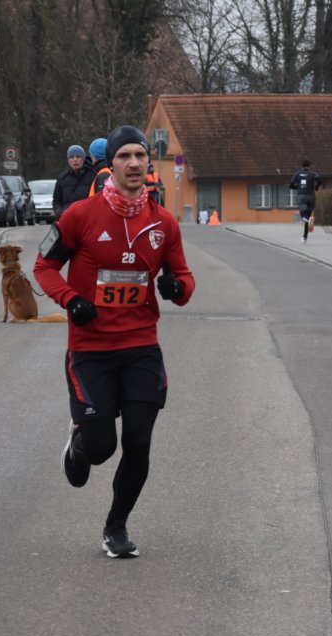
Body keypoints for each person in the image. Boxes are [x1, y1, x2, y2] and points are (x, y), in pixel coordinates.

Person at [34, 124, 195, 558]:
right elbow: (44, 267)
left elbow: (184, 277)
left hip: (141, 348)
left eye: (140, 155)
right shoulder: (79, 216)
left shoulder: (163, 223)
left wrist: (177, 288)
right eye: (125, 156)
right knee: (102, 447)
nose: (134, 163)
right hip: (90, 351)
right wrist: (71, 300)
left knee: (139, 442)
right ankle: (81, 444)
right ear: (111, 165)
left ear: (148, 163)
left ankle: (116, 526)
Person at [52, 144, 95, 218]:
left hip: (87, 219)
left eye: (78, 157)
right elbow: (56, 201)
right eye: (71, 157)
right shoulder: (62, 178)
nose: (75, 160)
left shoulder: (93, 176)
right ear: (68, 160)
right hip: (68, 219)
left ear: (83, 159)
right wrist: (61, 213)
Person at [289, 159, 322, 242]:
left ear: (302, 166)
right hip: (311, 197)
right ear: (309, 166)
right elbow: (319, 180)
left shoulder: (297, 174)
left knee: (304, 216)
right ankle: (305, 237)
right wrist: (316, 187)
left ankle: (305, 236)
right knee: (307, 218)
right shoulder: (313, 174)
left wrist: (297, 187)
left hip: (302, 196)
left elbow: (291, 184)